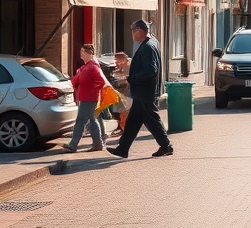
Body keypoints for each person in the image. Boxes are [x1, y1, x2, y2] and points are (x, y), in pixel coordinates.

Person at [107, 20, 173, 159]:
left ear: (139, 30)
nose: (131, 34)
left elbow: (151, 70)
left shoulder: (148, 46)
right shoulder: (151, 42)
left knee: (152, 119)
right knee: (133, 121)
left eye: (132, 31)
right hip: (143, 92)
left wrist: (132, 78)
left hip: (145, 92)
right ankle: (123, 149)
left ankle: (166, 145)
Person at [66, 44, 105, 153]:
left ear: (89, 53)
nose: (81, 54)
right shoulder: (85, 67)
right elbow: (76, 81)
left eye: (83, 52)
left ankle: (73, 145)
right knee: (92, 120)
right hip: (85, 98)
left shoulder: (92, 67)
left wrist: (92, 91)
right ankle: (98, 143)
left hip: (89, 99)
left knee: (80, 121)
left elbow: (100, 81)